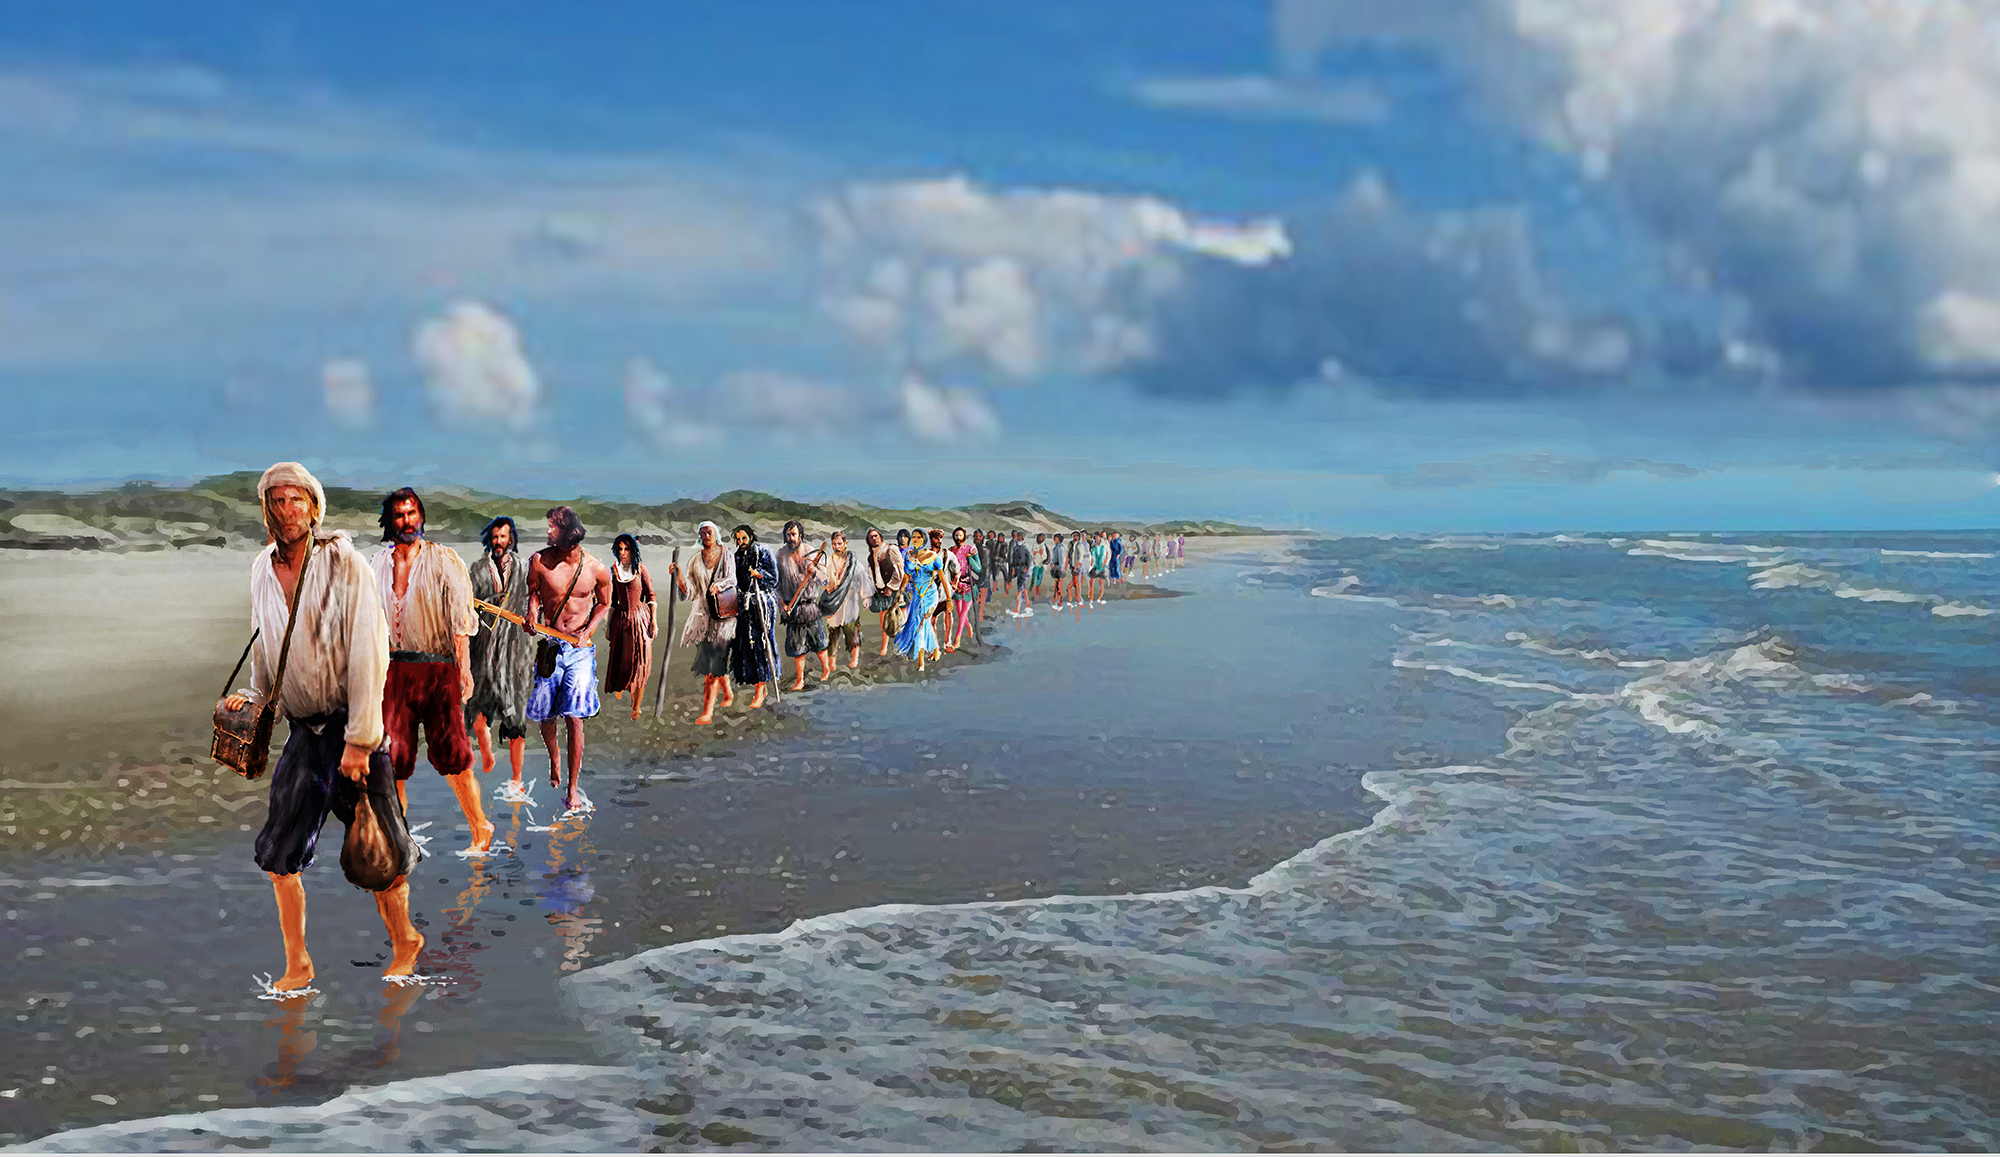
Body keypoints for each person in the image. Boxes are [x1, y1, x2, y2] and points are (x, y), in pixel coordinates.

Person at [222, 462, 421, 993]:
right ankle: (298, 964)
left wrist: (360, 739)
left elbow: (368, 651)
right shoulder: (262, 567)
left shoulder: (344, 564)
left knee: (381, 849)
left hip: (349, 728)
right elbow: (265, 640)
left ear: (314, 507)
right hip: (302, 734)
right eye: (277, 501)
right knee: (279, 854)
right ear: (266, 509)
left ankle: (405, 941)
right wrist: (259, 699)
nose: (287, 510)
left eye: (296, 500)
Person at [371, 488, 490, 855]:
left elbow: (460, 618)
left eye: (411, 514)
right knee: (394, 759)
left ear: (420, 517)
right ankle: (398, 836)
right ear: (389, 522)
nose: (406, 521)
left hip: (438, 668)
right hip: (392, 671)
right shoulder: (376, 563)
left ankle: (480, 828)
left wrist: (465, 668)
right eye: (399, 515)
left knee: (453, 754)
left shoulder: (443, 559)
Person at [524, 505, 612, 815]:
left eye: (552, 527)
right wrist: (532, 614)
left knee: (574, 716)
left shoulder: (597, 569)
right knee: (546, 717)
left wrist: (588, 630)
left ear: (569, 535)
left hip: (579, 652)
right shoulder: (539, 562)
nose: (547, 532)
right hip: (549, 646)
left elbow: (604, 603)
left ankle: (573, 788)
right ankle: (554, 758)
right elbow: (533, 593)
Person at [466, 516, 535, 802]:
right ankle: (486, 750)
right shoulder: (477, 569)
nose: (498, 542)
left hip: (514, 652)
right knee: (478, 715)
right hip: (483, 648)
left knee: (515, 718)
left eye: (503, 537)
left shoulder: (523, 568)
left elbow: (532, 602)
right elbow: (467, 606)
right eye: (494, 537)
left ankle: (517, 778)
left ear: (511, 539)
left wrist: (530, 621)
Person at [676, 520, 735, 725]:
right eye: (702, 533)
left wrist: (719, 586)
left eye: (708, 532)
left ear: (716, 533)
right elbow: (692, 591)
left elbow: (733, 579)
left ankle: (707, 712)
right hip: (702, 616)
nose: (705, 536)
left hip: (724, 617)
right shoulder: (695, 560)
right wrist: (680, 580)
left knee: (713, 664)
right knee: (710, 659)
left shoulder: (727, 554)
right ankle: (728, 694)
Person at [604, 533, 657, 721]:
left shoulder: (641, 569)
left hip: (641, 618)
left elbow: (651, 596)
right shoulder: (613, 571)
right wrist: (608, 626)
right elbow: (612, 601)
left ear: (633, 550)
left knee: (642, 661)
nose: (623, 552)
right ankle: (626, 691)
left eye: (626, 549)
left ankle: (637, 706)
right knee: (624, 662)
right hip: (621, 620)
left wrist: (654, 622)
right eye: (620, 549)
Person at [730, 524, 780, 707]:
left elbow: (774, 579)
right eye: (738, 539)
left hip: (763, 602)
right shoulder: (737, 556)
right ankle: (759, 687)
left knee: (762, 643)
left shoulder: (764, 551)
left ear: (751, 536)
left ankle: (761, 690)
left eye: (743, 538)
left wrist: (760, 574)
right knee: (748, 645)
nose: (740, 542)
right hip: (744, 605)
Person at [777, 519, 827, 692]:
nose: (791, 538)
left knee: (820, 642)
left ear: (800, 535)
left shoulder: (812, 553)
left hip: (811, 605)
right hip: (793, 608)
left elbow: (825, 580)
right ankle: (800, 680)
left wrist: (815, 573)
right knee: (797, 647)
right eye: (788, 534)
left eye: (794, 534)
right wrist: (782, 604)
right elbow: (776, 585)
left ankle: (826, 669)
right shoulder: (780, 556)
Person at [894, 528, 948, 670]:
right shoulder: (909, 556)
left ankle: (921, 663)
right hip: (917, 594)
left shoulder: (933, 556)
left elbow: (943, 579)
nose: (916, 539)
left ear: (924, 540)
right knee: (917, 621)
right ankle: (935, 648)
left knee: (922, 622)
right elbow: (906, 578)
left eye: (919, 537)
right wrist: (899, 592)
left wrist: (948, 599)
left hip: (930, 595)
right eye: (914, 537)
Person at [821, 529, 865, 672]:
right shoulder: (828, 561)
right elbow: (823, 579)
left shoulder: (853, 561)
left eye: (839, 543)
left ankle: (854, 659)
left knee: (852, 632)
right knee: (833, 633)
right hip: (834, 602)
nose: (837, 547)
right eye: (834, 544)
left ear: (845, 544)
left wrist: (866, 597)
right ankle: (832, 662)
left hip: (850, 601)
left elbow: (863, 577)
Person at [866, 527, 907, 657]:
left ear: (881, 537)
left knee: (900, 620)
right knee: (884, 622)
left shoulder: (891, 549)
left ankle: (903, 646)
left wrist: (891, 587)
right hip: (881, 592)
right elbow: (871, 574)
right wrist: (873, 589)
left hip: (894, 591)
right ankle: (884, 648)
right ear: (868, 540)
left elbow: (899, 569)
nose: (874, 538)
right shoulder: (870, 556)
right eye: (871, 537)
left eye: (876, 536)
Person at [946, 526, 977, 651]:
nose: (958, 538)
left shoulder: (971, 549)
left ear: (964, 536)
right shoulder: (950, 550)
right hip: (956, 585)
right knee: (960, 614)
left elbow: (978, 567)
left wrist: (970, 558)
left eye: (960, 535)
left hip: (968, 584)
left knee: (964, 613)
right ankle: (969, 627)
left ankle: (957, 639)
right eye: (956, 535)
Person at [1009, 530, 1033, 617]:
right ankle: (1028, 603)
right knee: (1021, 587)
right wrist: (1013, 569)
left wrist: (1027, 568)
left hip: (1024, 570)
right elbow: (1013, 559)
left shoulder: (1026, 547)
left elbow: (1030, 559)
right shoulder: (1015, 547)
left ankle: (1017, 608)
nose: (1018, 538)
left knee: (1019, 589)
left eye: (1019, 536)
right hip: (1017, 569)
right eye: (1017, 536)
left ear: (1022, 537)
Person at [1089, 530, 1110, 605]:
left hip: (1102, 566)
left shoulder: (1104, 544)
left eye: (1097, 536)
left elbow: (1107, 554)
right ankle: (1091, 599)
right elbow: (1092, 555)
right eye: (1095, 537)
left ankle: (1099, 598)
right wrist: (1091, 563)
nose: (1096, 538)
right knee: (1091, 582)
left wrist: (1104, 563)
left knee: (1101, 583)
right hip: (1095, 566)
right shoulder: (1094, 545)